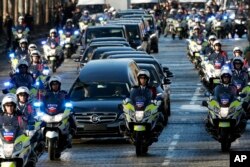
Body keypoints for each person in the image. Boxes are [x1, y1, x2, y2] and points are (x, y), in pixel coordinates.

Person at [0, 93, 37, 165]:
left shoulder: (20, 116)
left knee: (29, 150)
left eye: (11, 106)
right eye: (7, 106)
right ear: (4, 107)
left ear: (15, 106)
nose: (10, 108)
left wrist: (28, 131)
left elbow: (25, 125)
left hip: (17, 140)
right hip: (4, 140)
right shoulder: (0, 116)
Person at [42, 76, 77, 142]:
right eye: (53, 84)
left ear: (59, 85)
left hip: (60, 112)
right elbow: (42, 103)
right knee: (38, 120)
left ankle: (73, 130)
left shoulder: (64, 93)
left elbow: (69, 102)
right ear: (50, 85)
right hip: (49, 113)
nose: (55, 86)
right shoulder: (46, 94)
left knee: (71, 116)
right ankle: (39, 138)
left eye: (56, 84)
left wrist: (70, 107)